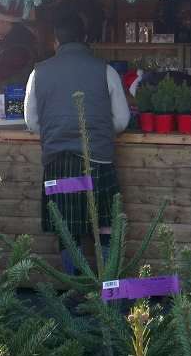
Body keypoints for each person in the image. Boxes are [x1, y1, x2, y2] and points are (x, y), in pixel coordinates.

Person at [24, 14, 130, 268]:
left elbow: (32, 123)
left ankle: (74, 289)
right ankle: (108, 290)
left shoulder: (38, 73)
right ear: (84, 39)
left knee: (66, 225)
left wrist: (58, 129)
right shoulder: (106, 70)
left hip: (58, 162)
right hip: (98, 161)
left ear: (56, 41)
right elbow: (122, 120)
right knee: (105, 223)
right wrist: (99, 130)